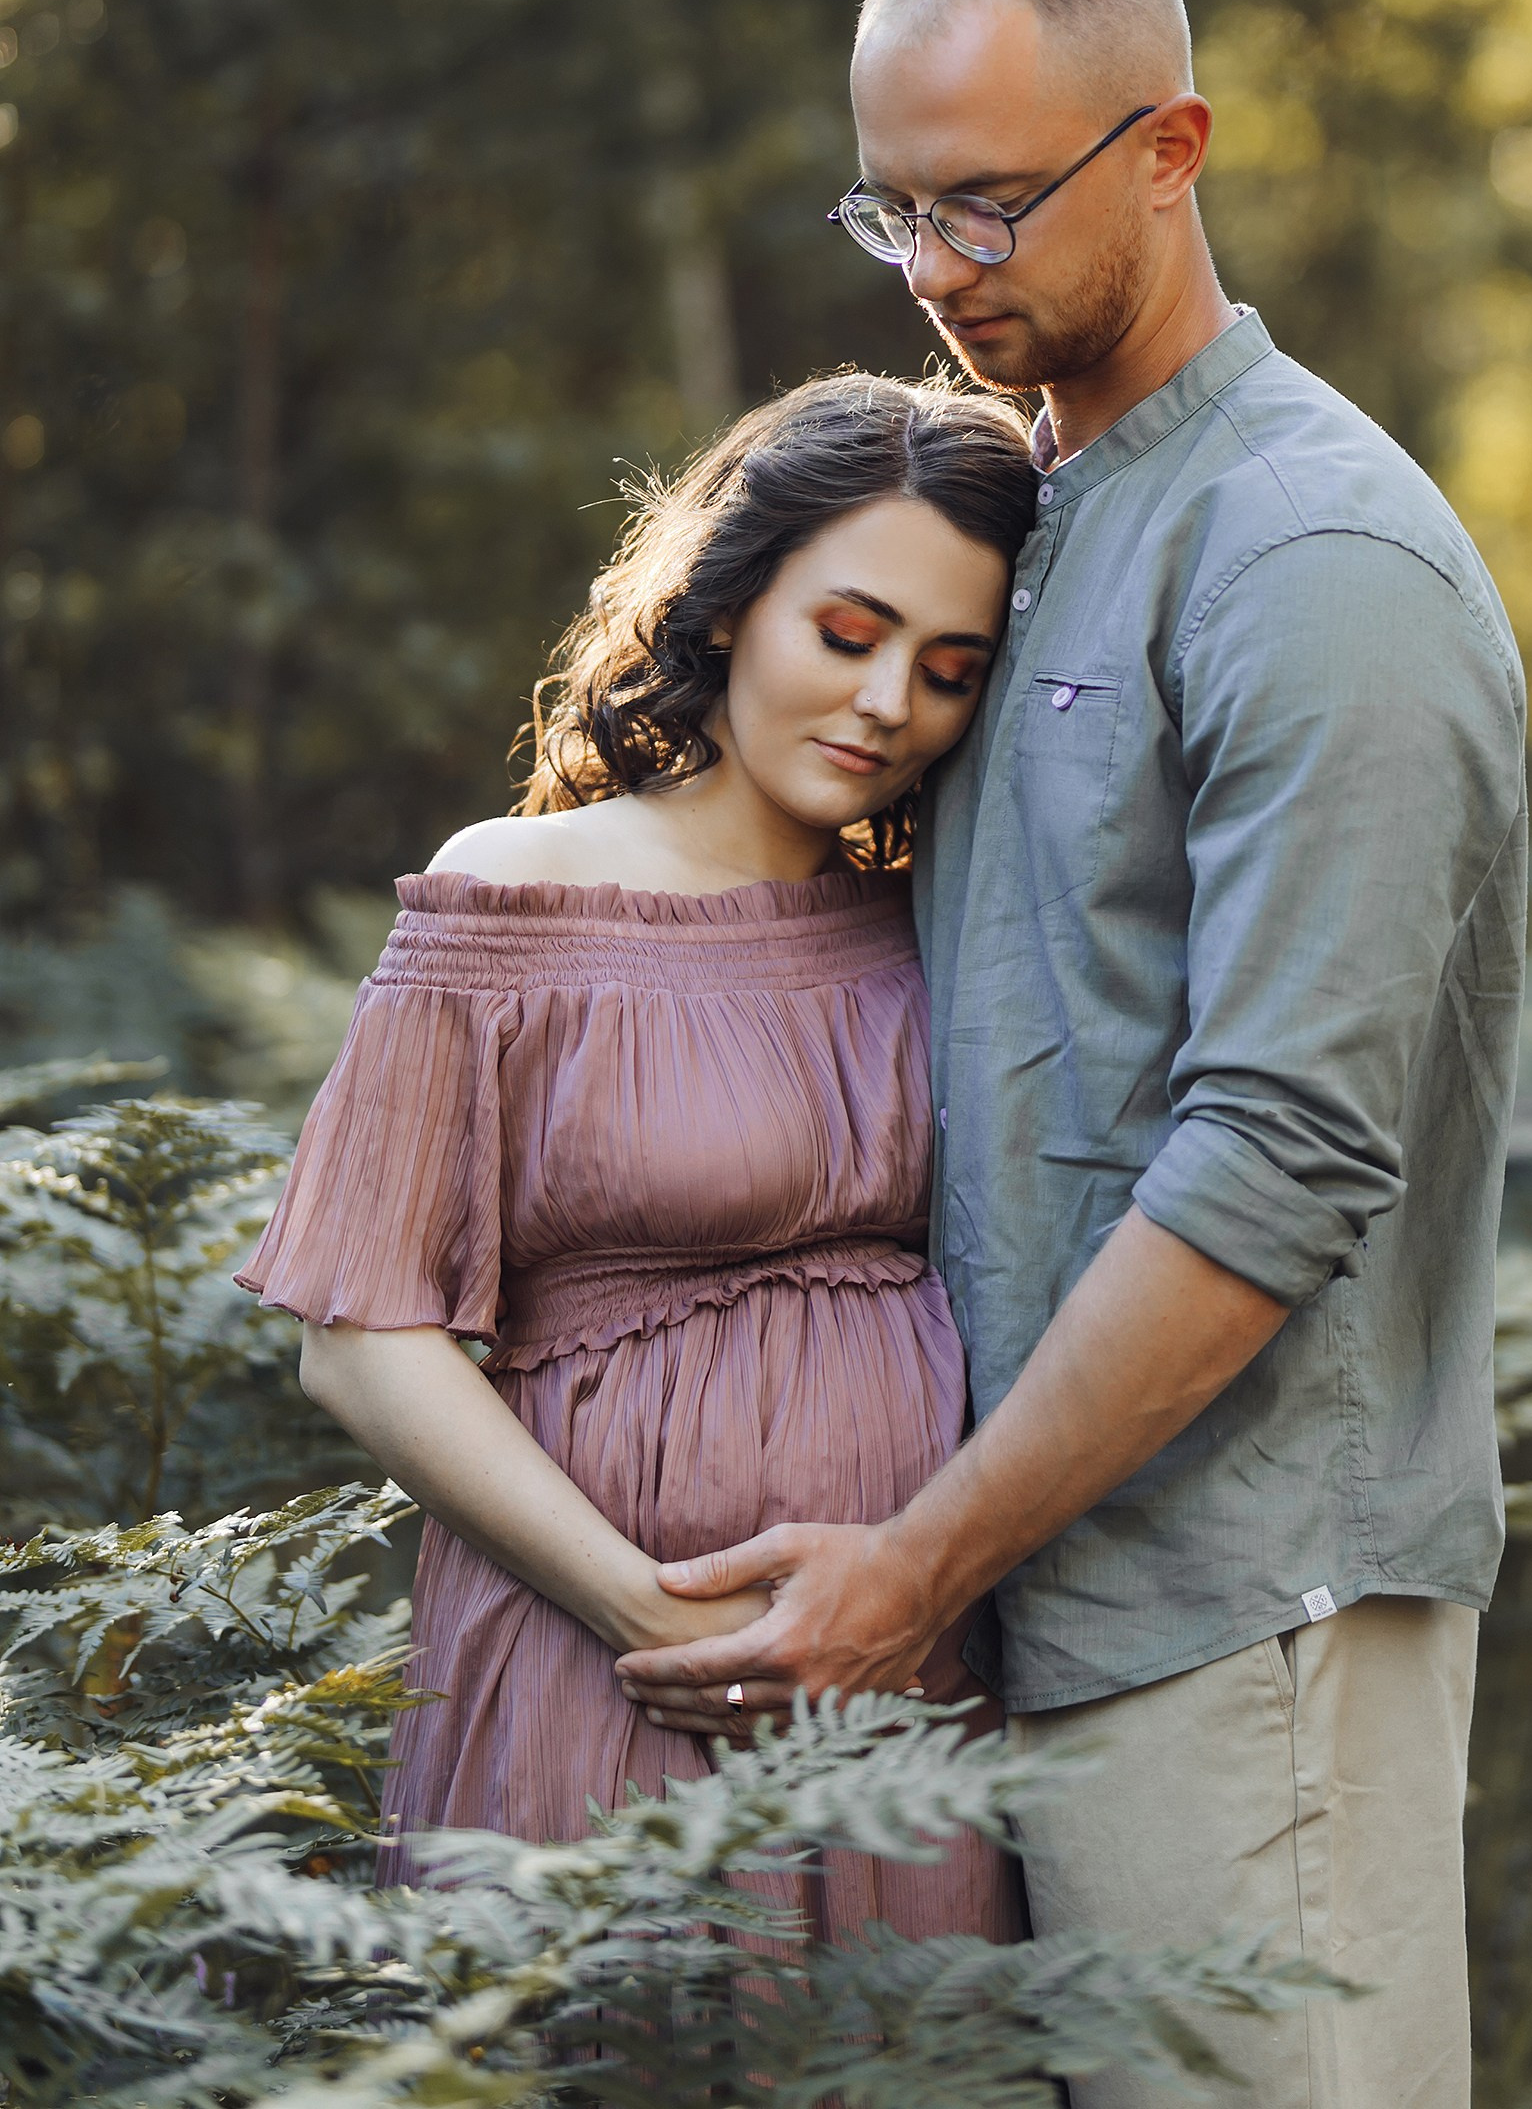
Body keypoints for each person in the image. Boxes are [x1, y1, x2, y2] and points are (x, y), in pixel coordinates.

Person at [617, 0, 1530, 2108]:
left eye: (992, 206)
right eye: (893, 210)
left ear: (1172, 149)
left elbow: (1282, 1155)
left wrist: (915, 1561)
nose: (937, 276)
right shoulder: (1027, 527)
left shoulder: (1316, 562)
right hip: (1030, 1617)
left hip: (1244, 1625)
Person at [236, 372, 1038, 1939]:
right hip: (608, 1669)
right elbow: (362, 1341)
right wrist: (634, 1603)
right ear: (735, 606)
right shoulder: (515, 898)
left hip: (905, 1678)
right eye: (849, 635)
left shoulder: (942, 923)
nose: (889, 706)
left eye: (951, 671)